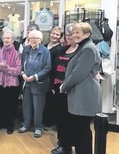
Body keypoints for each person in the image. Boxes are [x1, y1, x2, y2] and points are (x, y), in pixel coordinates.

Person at [60, 22, 102, 154]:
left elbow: (79, 73)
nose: (74, 35)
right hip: (80, 93)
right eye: (73, 32)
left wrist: (64, 86)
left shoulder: (88, 48)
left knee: (82, 131)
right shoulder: (84, 47)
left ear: (87, 34)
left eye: (78, 32)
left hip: (85, 94)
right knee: (80, 130)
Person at [18, 30, 51, 138]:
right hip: (26, 82)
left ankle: (38, 127)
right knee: (26, 105)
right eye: (31, 38)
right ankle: (26, 124)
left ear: (40, 40)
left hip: (38, 83)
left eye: (35, 38)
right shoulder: (26, 49)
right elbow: (21, 64)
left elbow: (47, 68)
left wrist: (35, 77)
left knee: (38, 107)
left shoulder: (45, 51)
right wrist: (23, 74)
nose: (33, 40)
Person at [50, 24, 78, 154]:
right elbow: (54, 70)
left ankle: (68, 145)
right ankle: (63, 144)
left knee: (70, 119)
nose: (69, 38)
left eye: (71, 35)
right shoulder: (60, 50)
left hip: (72, 91)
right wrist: (53, 86)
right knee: (60, 118)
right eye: (67, 36)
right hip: (58, 89)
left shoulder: (80, 51)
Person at [0, 29, 22, 134]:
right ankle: (0, 123)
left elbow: (18, 70)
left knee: (11, 105)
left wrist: (7, 68)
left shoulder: (17, 54)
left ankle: (10, 124)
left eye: (8, 38)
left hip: (12, 84)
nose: (6, 40)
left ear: (13, 40)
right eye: (4, 38)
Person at [43, 26, 63, 131]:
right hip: (42, 77)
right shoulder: (45, 46)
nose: (54, 36)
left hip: (52, 78)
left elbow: (56, 66)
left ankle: (49, 123)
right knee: (45, 101)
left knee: (51, 101)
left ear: (60, 37)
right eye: (53, 33)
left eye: (57, 34)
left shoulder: (59, 49)